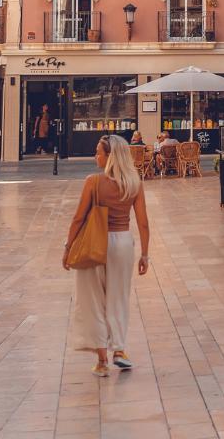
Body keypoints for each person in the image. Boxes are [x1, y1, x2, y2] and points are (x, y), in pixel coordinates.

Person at [63, 134, 151, 377]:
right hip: (123, 242)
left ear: (109, 156)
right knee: (118, 298)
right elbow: (143, 223)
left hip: (96, 242)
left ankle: (102, 360)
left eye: (98, 152)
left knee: (92, 300)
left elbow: (79, 218)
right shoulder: (134, 182)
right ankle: (120, 350)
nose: (95, 156)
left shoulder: (93, 182)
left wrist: (68, 246)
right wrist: (145, 255)